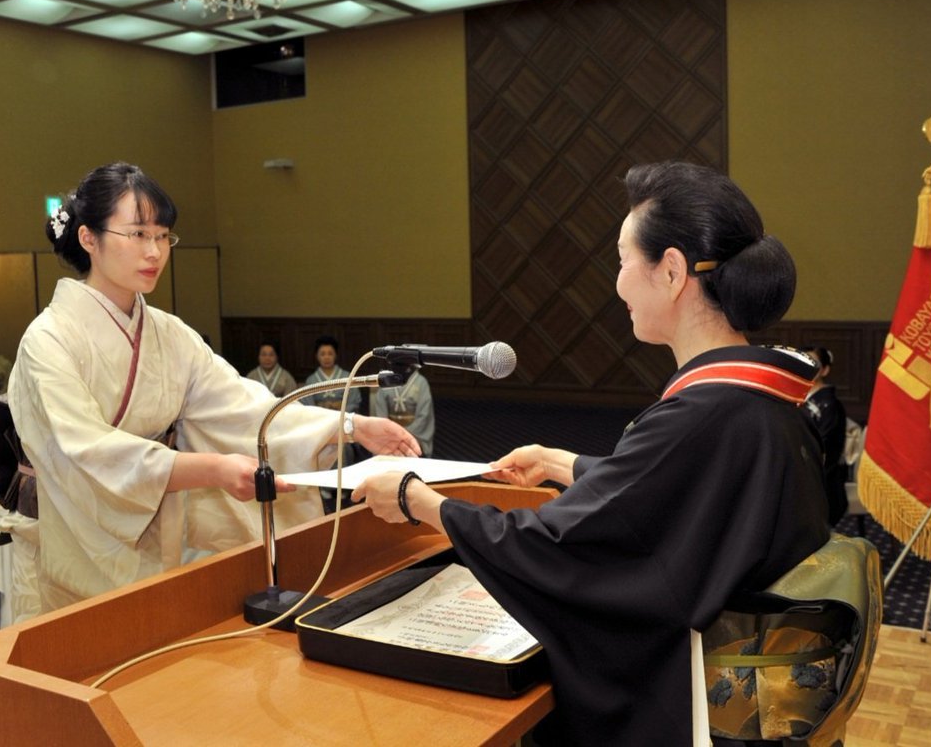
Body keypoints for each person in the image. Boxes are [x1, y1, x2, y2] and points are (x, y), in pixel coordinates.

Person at [355, 161, 831, 746]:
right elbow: (678, 501)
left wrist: (417, 499)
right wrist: (561, 463)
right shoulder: (760, 396)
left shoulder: (702, 416)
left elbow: (560, 553)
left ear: (673, 271)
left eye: (624, 260)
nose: (619, 282)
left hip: (689, 705)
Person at [8, 161, 419, 617]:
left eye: (163, 236)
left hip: (151, 519)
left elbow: (242, 406)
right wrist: (212, 469)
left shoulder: (168, 333)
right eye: (139, 234)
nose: (155, 252)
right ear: (89, 238)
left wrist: (352, 425)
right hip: (74, 529)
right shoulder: (48, 340)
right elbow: (86, 450)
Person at [801, 345, 849, 526]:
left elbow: (825, 448)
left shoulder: (830, 406)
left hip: (822, 484)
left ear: (825, 370)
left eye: (813, 363)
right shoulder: (796, 399)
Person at [370, 369, 434, 457]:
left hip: (415, 435)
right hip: (389, 434)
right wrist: (392, 433)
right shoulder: (386, 380)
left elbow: (424, 415)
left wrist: (403, 435)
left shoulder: (421, 382)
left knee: (414, 452)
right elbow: (381, 415)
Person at [300, 336, 358, 412]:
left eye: (330, 354)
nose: (326, 357)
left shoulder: (347, 376)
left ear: (336, 355)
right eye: (322, 354)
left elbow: (353, 402)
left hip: (342, 419)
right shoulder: (311, 380)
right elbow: (308, 405)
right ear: (317, 356)